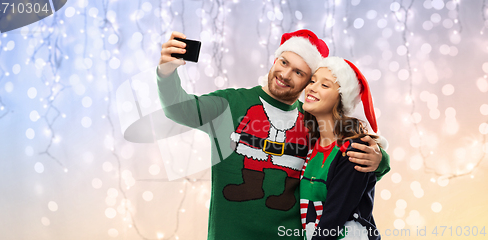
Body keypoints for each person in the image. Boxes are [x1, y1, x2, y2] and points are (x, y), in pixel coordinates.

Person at [156, 29, 390, 240]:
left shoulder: (311, 121)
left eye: (298, 72)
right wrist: (166, 73)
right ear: (275, 59)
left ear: (307, 83)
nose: (286, 74)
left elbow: (344, 159)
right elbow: (179, 109)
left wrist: (380, 160)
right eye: (284, 62)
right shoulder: (230, 103)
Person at [300, 57, 384, 240]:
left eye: (325, 85)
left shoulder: (354, 151)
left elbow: (333, 220)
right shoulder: (311, 146)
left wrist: (382, 159)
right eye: (312, 81)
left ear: (341, 98)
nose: (312, 87)